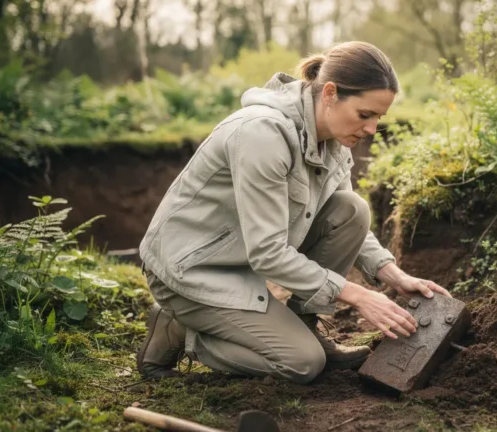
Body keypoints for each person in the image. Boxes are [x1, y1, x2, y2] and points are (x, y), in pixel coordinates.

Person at [135, 41, 451, 384]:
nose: (372, 129)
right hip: (192, 270)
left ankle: (303, 326)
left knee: (352, 210)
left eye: (379, 117)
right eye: (365, 114)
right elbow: (268, 253)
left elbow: (344, 217)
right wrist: (359, 296)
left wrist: (392, 274)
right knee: (302, 364)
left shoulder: (332, 137)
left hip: (241, 262)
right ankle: (181, 329)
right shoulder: (262, 134)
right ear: (329, 93)